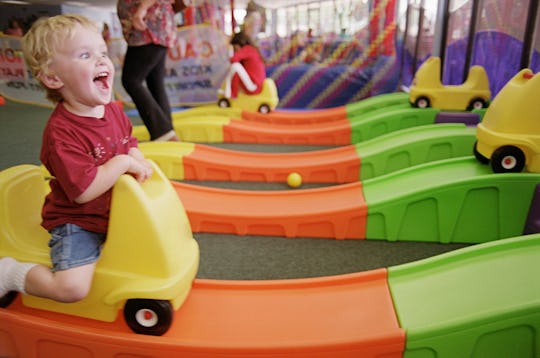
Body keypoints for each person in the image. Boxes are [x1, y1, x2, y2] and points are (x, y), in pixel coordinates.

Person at [0, 14, 153, 303]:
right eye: (85, 55)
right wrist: (123, 163)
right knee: (72, 288)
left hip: (115, 211)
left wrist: (136, 157)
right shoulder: (61, 135)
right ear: (53, 77)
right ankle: (8, 273)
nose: (101, 61)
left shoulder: (113, 111)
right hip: (79, 221)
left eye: (103, 53)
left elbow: (128, 141)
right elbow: (83, 192)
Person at [117, 0, 180, 141]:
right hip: (156, 28)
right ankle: (166, 131)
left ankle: (163, 132)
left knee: (131, 80)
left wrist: (141, 9)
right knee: (155, 82)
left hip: (148, 29)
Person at [222, 31, 266, 100]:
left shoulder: (247, 49)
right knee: (235, 69)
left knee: (235, 66)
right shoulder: (252, 50)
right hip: (255, 86)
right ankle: (231, 93)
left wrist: (230, 50)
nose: (235, 51)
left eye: (235, 48)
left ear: (239, 44)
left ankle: (230, 93)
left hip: (254, 86)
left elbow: (233, 59)